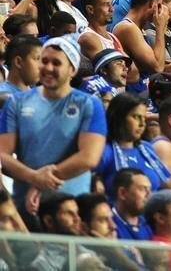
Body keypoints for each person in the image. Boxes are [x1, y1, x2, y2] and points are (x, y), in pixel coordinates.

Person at [0, 36, 105, 215]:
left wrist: (43, 181)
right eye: (44, 61)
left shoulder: (89, 104)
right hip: (26, 205)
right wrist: (34, 178)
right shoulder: (17, 103)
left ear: (72, 69)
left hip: (73, 208)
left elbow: (89, 157)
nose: (48, 68)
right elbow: (3, 154)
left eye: (56, 63)